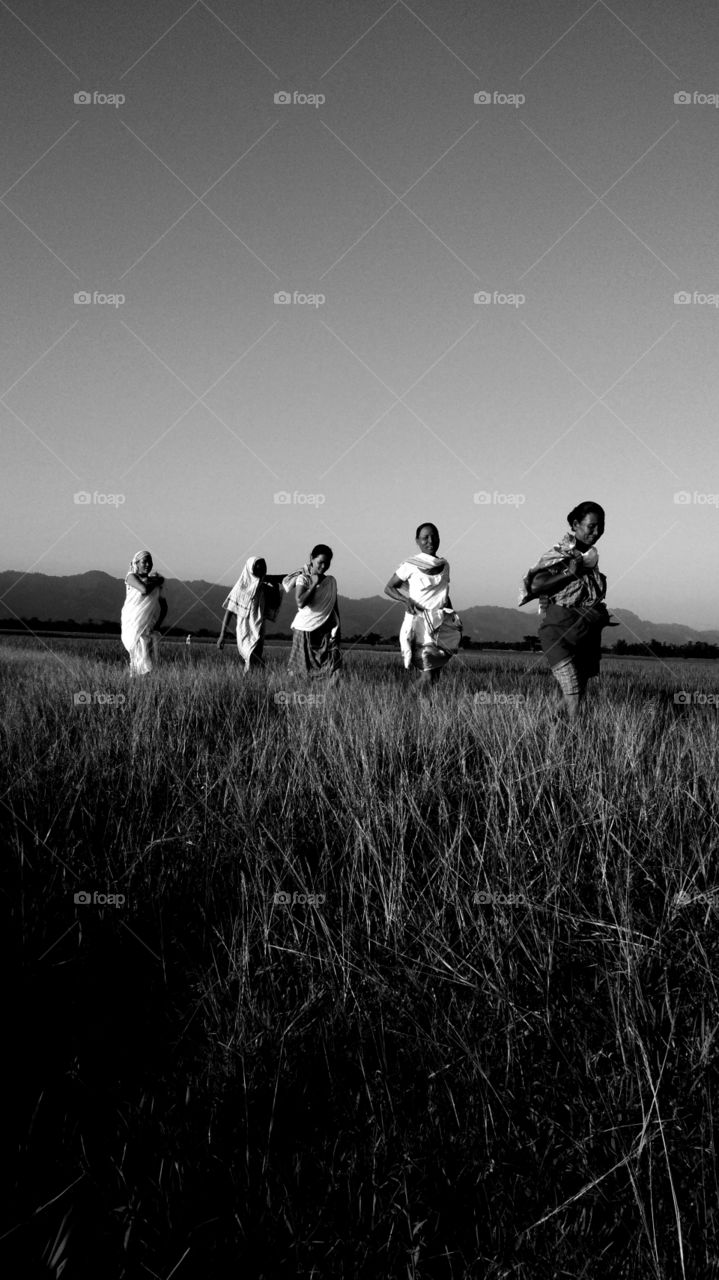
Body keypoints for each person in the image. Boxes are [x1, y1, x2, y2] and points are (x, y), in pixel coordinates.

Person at [519, 501, 614, 719]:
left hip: (585, 635)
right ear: (575, 524)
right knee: (573, 694)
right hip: (560, 633)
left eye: (601, 526)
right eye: (591, 526)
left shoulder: (590, 558)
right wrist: (569, 573)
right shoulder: (561, 554)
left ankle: (540, 730)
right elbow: (535, 585)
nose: (597, 532)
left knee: (574, 694)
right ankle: (575, 740)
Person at [384, 523, 462, 689]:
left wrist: (452, 619)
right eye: (425, 537)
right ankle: (403, 703)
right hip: (420, 626)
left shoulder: (444, 565)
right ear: (417, 541)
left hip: (440, 626)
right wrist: (406, 600)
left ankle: (427, 711)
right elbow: (389, 587)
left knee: (435, 676)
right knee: (427, 675)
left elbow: (443, 595)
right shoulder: (410, 564)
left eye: (434, 536)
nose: (430, 540)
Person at [283, 545, 341, 680]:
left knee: (332, 667)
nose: (323, 566)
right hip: (304, 630)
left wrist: (338, 630)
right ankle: (297, 697)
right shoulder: (303, 579)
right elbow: (300, 602)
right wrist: (313, 585)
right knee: (300, 671)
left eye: (327, 563)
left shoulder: (331, 582)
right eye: (320, 562)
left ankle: (328, 697)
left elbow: (335, 607)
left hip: (324, 631)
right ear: (311, 559)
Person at [216, 557, 281, 671]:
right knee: (250, 656)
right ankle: (250, 680)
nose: (260, 570)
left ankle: (253, 681)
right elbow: (229, 612)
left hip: (259, 628)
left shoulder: (264, 588)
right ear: (250, 569)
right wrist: (222, 635)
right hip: (244, 629)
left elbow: (275, 601)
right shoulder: (239, 589)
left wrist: (273, 582)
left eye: (262, 568)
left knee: (255, 657)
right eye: (257, 567)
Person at [120, 550, 167, 676]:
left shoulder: (155, 583)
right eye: (144, 562)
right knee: (137, 656)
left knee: (147, 658)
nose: (147, 565)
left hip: (147, 626)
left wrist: (157, 624)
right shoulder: (131, 576)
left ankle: (141, 685)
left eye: (149, 562)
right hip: (132, 624)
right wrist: (158, 580)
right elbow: (143, 589)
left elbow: (164, 606)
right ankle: (136, 683)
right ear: (136, 563)